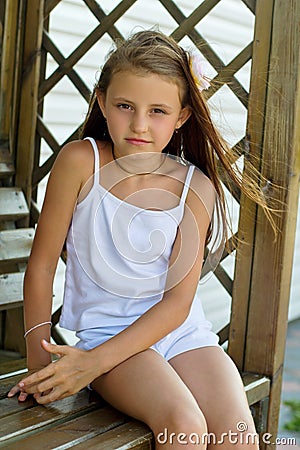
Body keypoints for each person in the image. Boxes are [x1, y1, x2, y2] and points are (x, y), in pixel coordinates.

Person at [7, 31, 274, 449]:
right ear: (101, 102)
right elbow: (41, 268)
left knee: (238, 436)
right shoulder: (81, 162)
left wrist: (89, 367)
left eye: (158, 111)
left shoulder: (195, 187)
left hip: (183, 334)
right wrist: (43, 365)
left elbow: (177, 305)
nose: (139, 125)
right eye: (125, 106)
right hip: (109, 336)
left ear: (182, 117)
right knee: (183, 426)